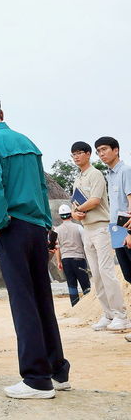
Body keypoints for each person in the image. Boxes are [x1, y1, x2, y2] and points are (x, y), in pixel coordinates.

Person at [0, 95, 70, 399]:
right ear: (2, 113)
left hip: (13, 225)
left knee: (23, 301)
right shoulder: (27, 142)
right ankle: (57, 371)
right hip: (37, 226)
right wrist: (45, 226)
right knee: (42, 298)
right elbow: (41, 187)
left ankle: (36, 379)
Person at [70, 140, 129, 331]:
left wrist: (78, 208)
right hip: (89, 228)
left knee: (107, 272)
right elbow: (74, 204)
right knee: (96, 274)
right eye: (73, 154)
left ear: (87, 154)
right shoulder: (79, 178)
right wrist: (74, 213)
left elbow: (95, 200)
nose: (76, 157)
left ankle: (120, 314)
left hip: (103, 227)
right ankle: (108, 314)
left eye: (80, 152)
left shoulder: (97, 174)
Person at [94, 136, 131, 285]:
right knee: (128, 273)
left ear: (116, 150)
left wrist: (129, 233)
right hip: (116, 228)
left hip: (127, 226)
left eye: (104, 149)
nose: (101, 154)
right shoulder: (109, 174)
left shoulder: (126, 171)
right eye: (98, 151)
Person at [53, 203, 90, 306]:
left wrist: (59, 262)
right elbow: (85, 243)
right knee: (85, 284)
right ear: (70, 214)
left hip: (66, 260)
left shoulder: (57, 230)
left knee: (71, 284)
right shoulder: (79, 227)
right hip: (79, 259)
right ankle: (88, 306)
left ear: (60, 216)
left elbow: (57, 248)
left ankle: (75, 305)